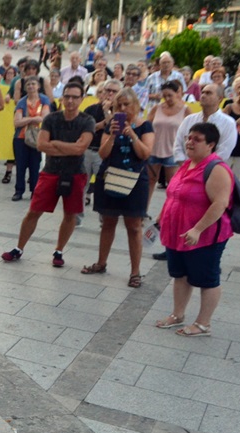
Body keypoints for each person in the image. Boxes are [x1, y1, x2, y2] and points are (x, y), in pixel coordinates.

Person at [153, 123, 234, 337]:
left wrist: (197, 229)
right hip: (177, 233)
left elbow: (220, 203)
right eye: (189, 137)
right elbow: (174, 194)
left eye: (197, 139)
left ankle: (203, 323)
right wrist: (162, 216)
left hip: (204, 236)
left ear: (211, 144)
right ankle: (177, 314)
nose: (190, 142)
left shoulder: (216, 169)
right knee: (180, 275)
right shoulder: (187, 164)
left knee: (207, 279)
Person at [2, 82, 95, 267]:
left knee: (70, 215)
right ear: (62, 98)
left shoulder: (87, 121)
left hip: (76, 173)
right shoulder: (52, 118)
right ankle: (19, 248)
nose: (70, 100)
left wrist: (57, 144)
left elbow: (80, 148)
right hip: (51, 171)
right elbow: (42, 145)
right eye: (67, 96)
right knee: (34, 211)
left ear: (81, 99)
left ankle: (59, 251)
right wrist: (69, 147)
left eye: (75, 97)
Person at [83, 88, 155, 288]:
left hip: (134, 180)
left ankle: (135, 272)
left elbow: (145, 154)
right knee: (108, 222)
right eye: (118, 106)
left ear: (135, 106)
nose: (122, 109)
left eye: (126, 105)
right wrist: (113, 136)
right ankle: (101, 262)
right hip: (110, 177)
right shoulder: (110, 127)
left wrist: (132, 134)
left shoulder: (145, 126)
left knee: (133, 226)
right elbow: (103, 154)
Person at [146, 80, 191, 209]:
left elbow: (191, 130)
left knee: (172, 185)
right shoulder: (157, 108)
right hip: (154, 149)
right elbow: (147, 125)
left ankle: (170, 212)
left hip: (173, 151)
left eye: (170, 95)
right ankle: (143, 211)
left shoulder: (185, 110)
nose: (167, 99)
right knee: (149, 181)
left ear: (178, 93)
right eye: (164, 96)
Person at [82, 80, 122, 207]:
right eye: (107, 90)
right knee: (81, 185)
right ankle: (75, 218)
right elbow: (85, 128)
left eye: (114, 91)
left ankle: (103, 219)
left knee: (104, 187)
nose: (110, 94)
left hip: (105, 154)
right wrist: (102, 123)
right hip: (88, 150)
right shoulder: (91, 109)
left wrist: (107, 113)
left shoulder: (121, 112)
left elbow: (116, 130)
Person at [11, 76, 51, 200]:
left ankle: (35, 191)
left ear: (38, 86)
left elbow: (44, 118)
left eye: (33, 84)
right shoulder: (22, 102)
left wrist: (26, 119)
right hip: (20, 138)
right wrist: (34, 119)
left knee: (35, 166)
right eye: (28, 84)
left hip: (37, 138)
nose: (31, 86)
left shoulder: (44, 100)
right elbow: (17, 122)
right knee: (20, 166)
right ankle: (19, 190)